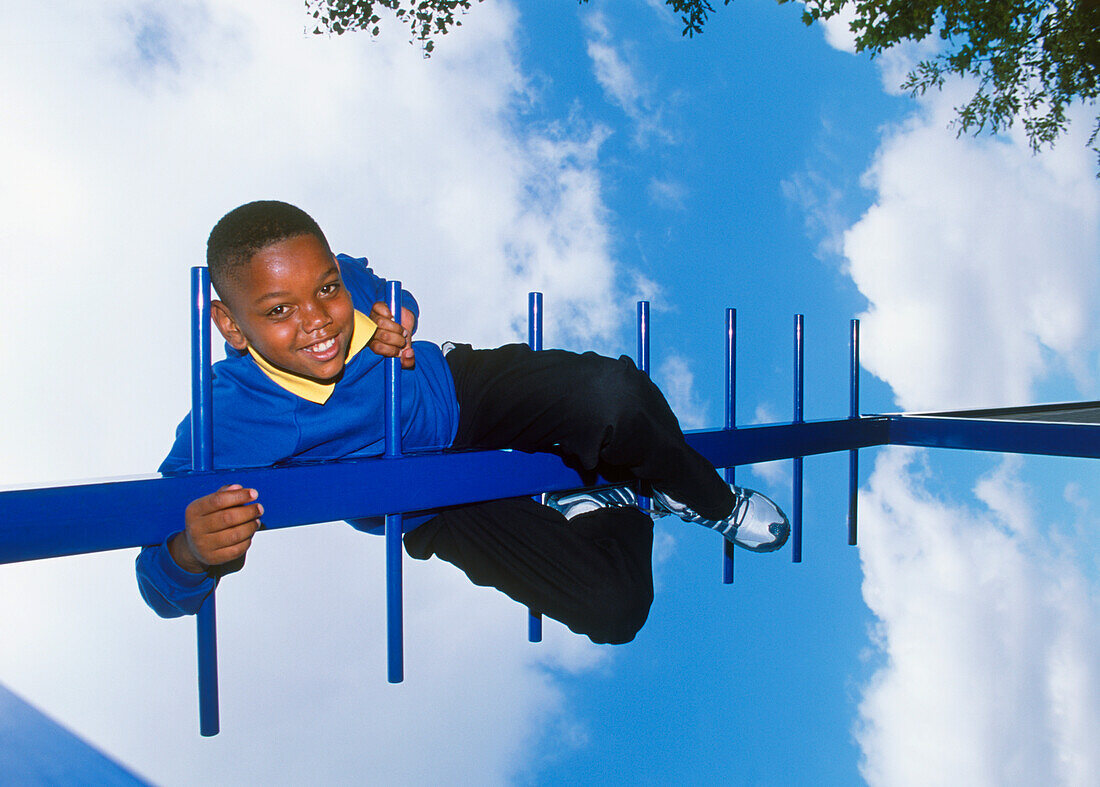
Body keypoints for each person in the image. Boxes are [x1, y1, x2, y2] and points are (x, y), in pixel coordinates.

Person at [136, 200, 789, 644]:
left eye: (325, 289)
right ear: (231, 325)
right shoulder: (229, 418)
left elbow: (383, 286)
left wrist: (405, 315)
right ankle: (602, 502)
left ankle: (708, 496)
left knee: (615, 397)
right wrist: (190, 551)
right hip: (423, 502)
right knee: (614, 607)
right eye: (278, 311)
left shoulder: (350, 289)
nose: (318, 321)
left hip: (457, 393)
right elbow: (158, 583)